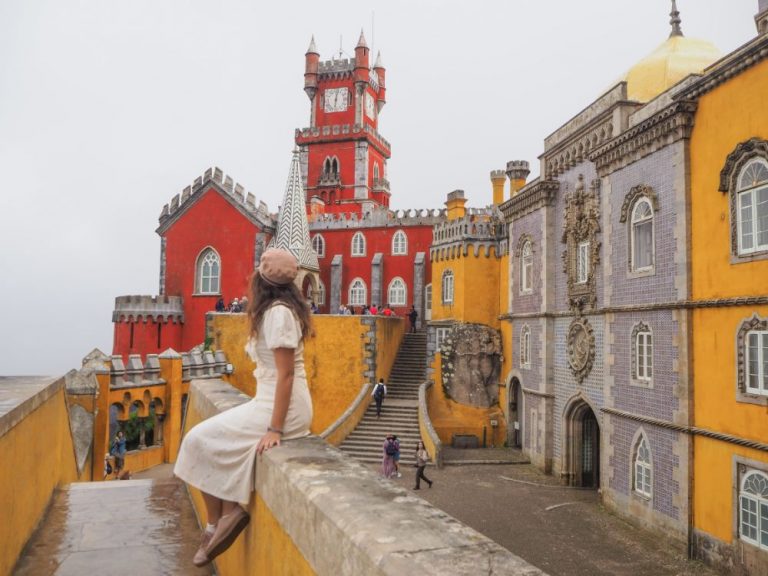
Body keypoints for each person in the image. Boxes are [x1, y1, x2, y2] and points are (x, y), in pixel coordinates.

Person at [174, 248, 313, 568]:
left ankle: (219, 522)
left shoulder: (278, 314)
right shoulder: (277, 310)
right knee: (204, 441)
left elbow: (287, 374)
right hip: (268, 400)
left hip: (284, 407)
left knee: (197, 440)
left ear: (262, 281)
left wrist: (275, 428)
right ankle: (224, 516)